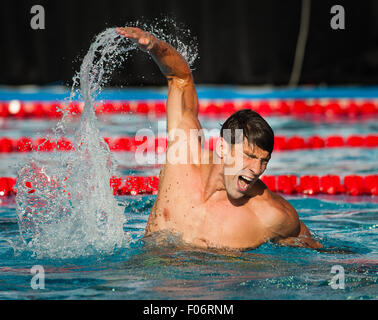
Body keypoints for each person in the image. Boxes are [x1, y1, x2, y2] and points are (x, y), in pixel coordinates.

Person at [116, 27, 323, 250]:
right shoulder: (183, 159)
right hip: (148, 275)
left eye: (264, 161)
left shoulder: (269, 215)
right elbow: (180, 78)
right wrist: (154, 46)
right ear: (223, 148)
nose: (256, 169)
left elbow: (315, 251)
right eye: (249, 156)